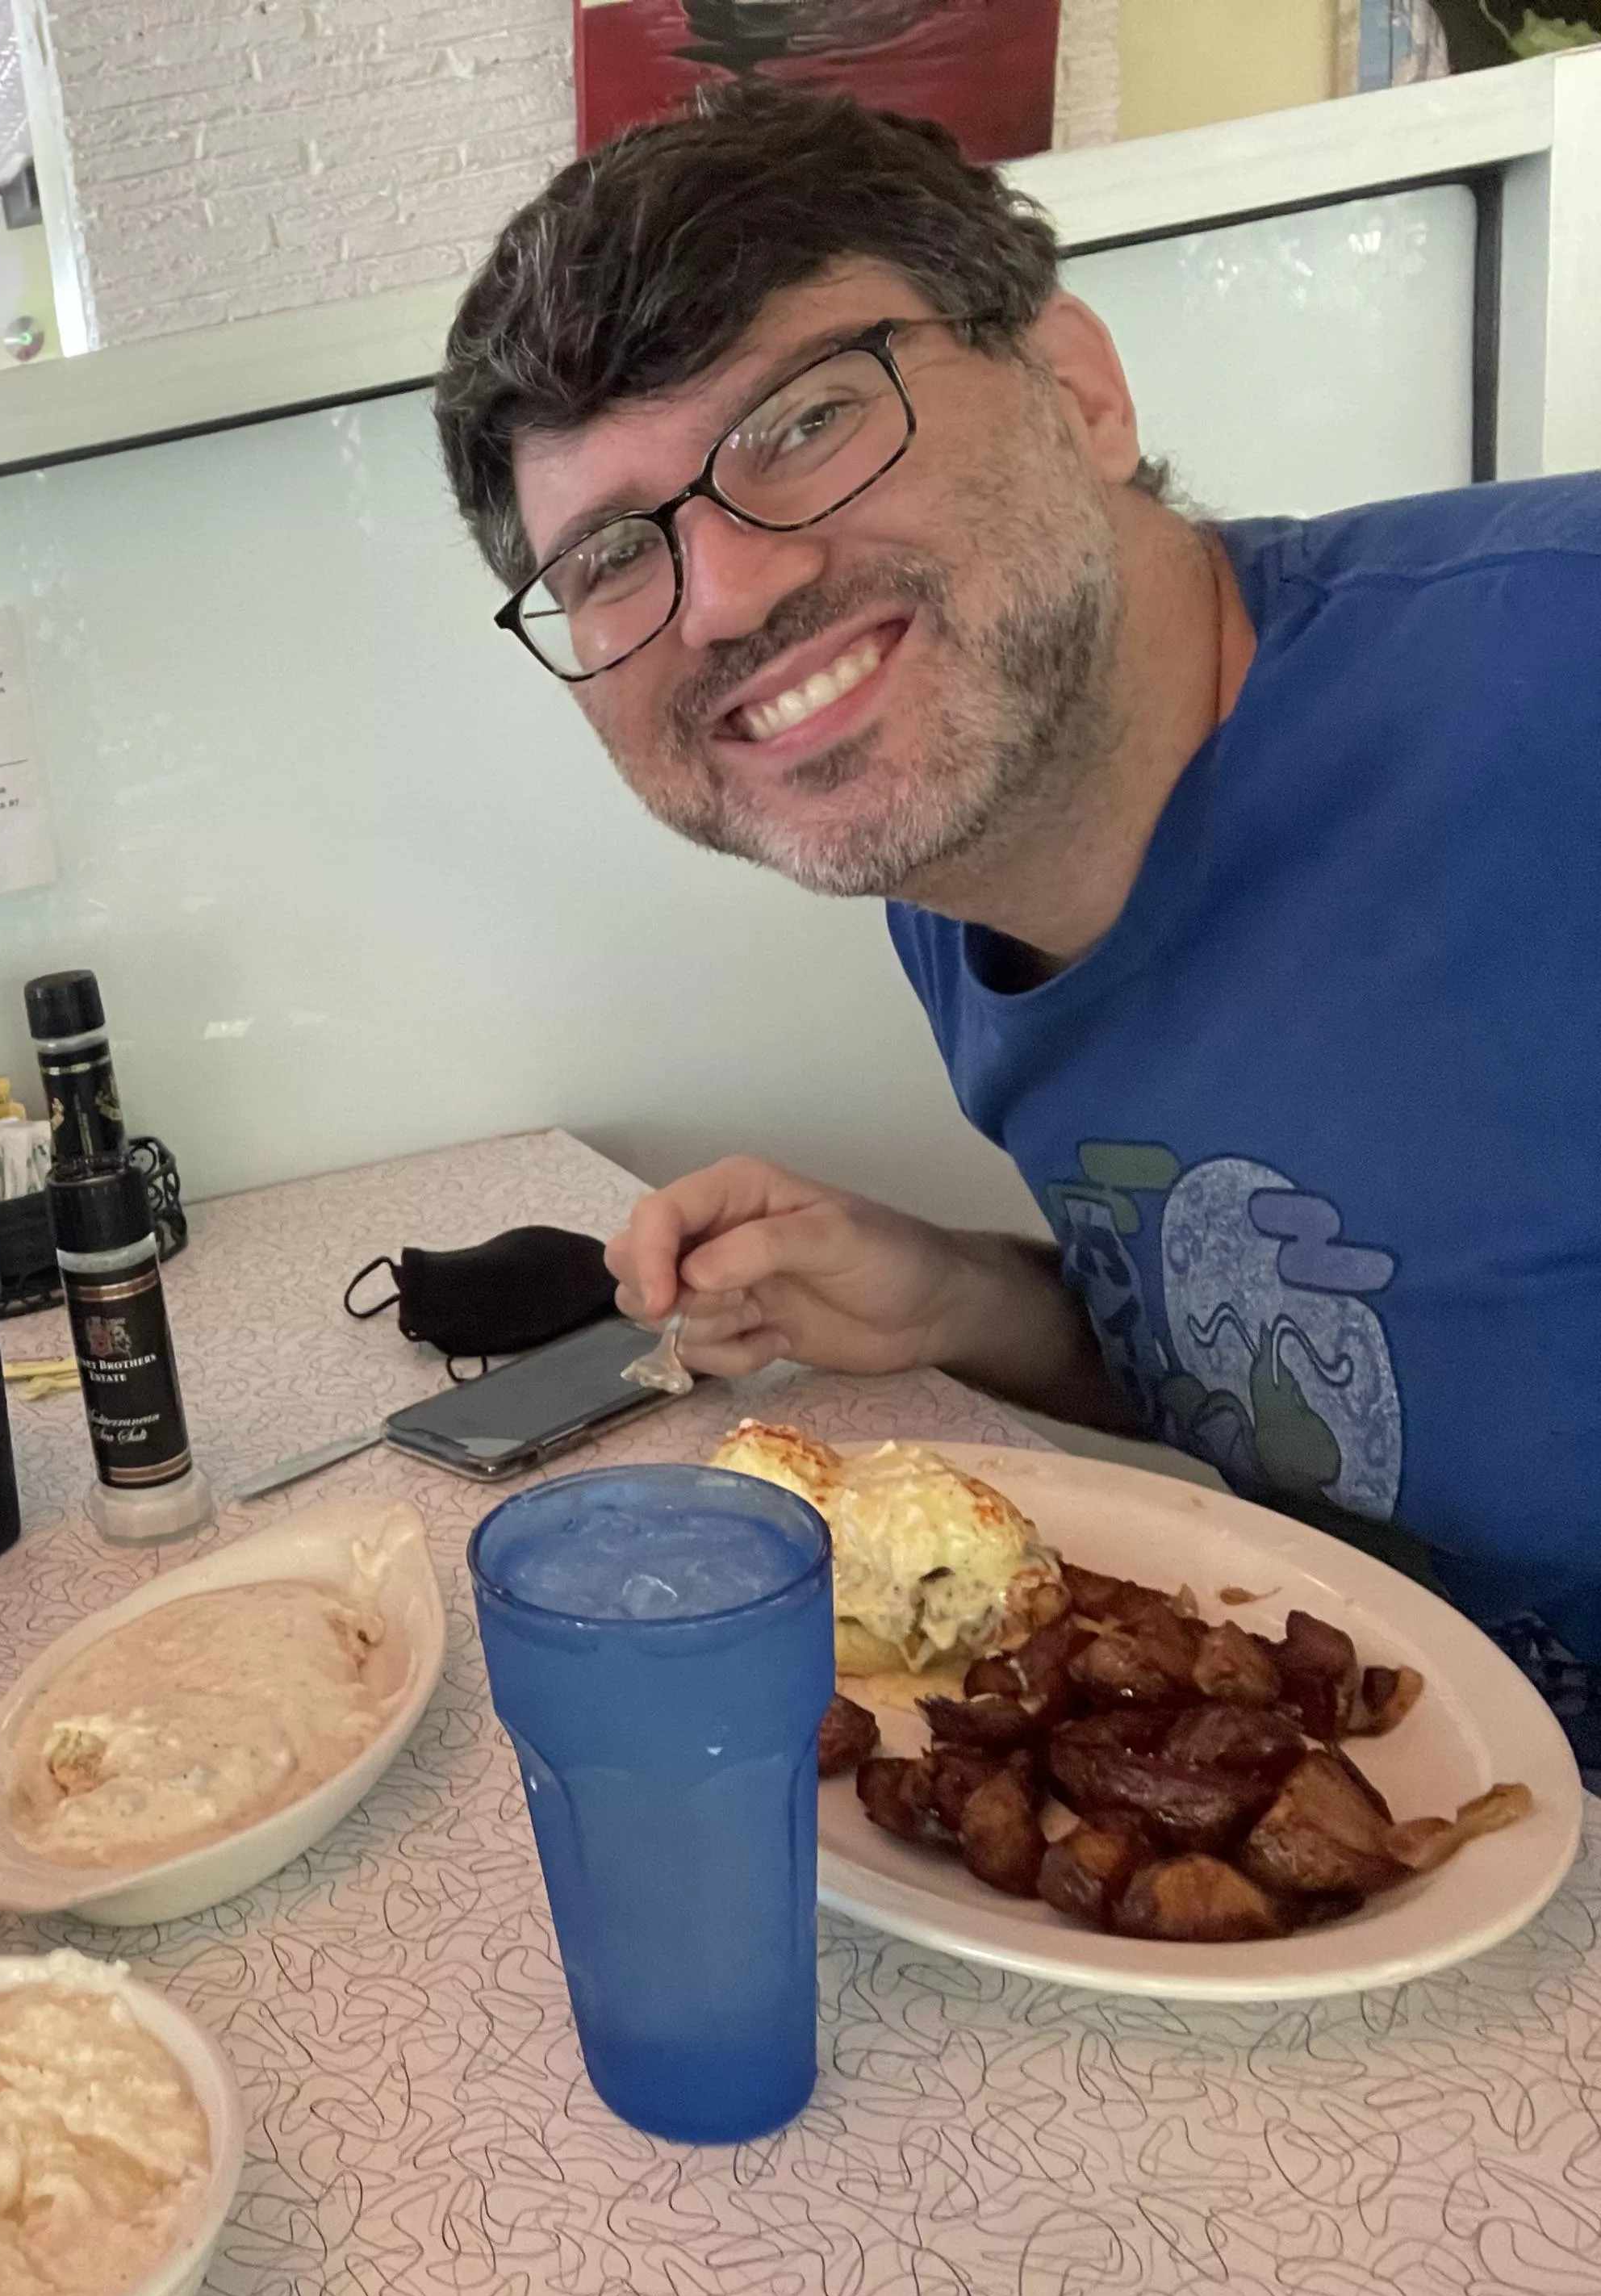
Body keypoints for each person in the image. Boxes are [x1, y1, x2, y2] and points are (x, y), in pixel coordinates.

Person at [433, 83, 1601, 1772]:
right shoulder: (955, 873)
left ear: (1077, 391)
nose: (732, 598)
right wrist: (956, 1303)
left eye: (806, 422)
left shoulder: (1554, 671)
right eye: (615, 555)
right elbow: (1330, 1380)